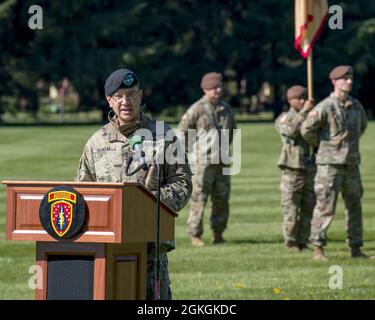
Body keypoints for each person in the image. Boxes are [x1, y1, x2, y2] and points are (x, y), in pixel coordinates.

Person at [75, 68, 192, 299]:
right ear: (109, 100)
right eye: (119, 96)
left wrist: (148, 201)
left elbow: (183, 183)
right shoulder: (96, 142)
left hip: (150, 244)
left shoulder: (162, 135)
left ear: (140, 96)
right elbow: (82, 193)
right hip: (108, 247)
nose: (125, 102)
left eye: (131, 95)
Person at [301, 65, 368, 261]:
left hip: (351, 164)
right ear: (334, 82)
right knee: (325, 207)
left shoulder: (356, 106)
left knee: (354, 206)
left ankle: (355, 247)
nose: (349, 81)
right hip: (329, 166)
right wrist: (324, 146)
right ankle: (318, 247)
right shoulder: (325, 107)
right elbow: (307, 130)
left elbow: (361, 126)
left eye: (350, 78)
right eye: (344, 79)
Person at [178, 72, 237, 247]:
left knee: (221, 199)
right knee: (199, 198)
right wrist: (194, 151)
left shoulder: (226, 109)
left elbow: (232, 130)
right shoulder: (197, 108)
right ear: (205, 89)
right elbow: (183, 132)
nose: (218, 90)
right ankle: (195, 234)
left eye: (219, 87)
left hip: (222, 161)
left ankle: (218, 233)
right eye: (213, 88)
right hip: (202, 163)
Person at [275, 85, 315, 251]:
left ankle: (304, 240)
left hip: (311, 166)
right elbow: (290, 131)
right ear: (290, 100)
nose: (302, 101)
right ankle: (291, 242)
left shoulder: (311, 116)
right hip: (292, 168)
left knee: (309, 207)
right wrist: (304, 112)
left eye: (304, 98)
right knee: (291, 207)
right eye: (298, 98)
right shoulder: (284, 118)